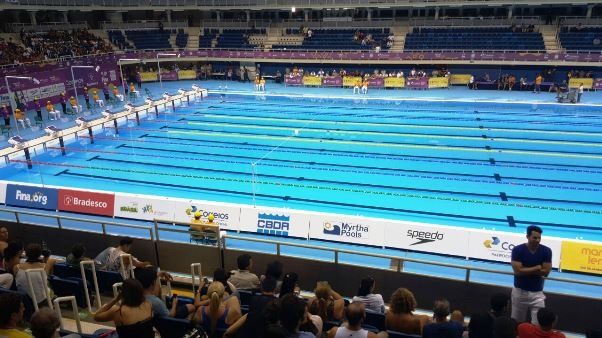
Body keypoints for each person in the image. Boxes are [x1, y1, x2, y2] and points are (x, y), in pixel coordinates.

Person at [511, 225, 552, 325]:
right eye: (535, 237)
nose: (537, 240)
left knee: (538, 325)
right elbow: (518, 271)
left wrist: (525, 270)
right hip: (519, 293)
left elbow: (546, 271)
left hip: (537, 293)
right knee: (517, 323)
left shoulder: (546, 251)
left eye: (539, 238)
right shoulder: (517, 250)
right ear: (527, 237)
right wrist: (536, 268)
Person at [14, 243, 56, 307]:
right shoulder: (45, 267)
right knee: (50, 289)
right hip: (41, 302)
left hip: (23, 300)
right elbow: (51, 261)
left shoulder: (16, 267)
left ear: (26, 253)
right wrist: (46, 257)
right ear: (39, 254)